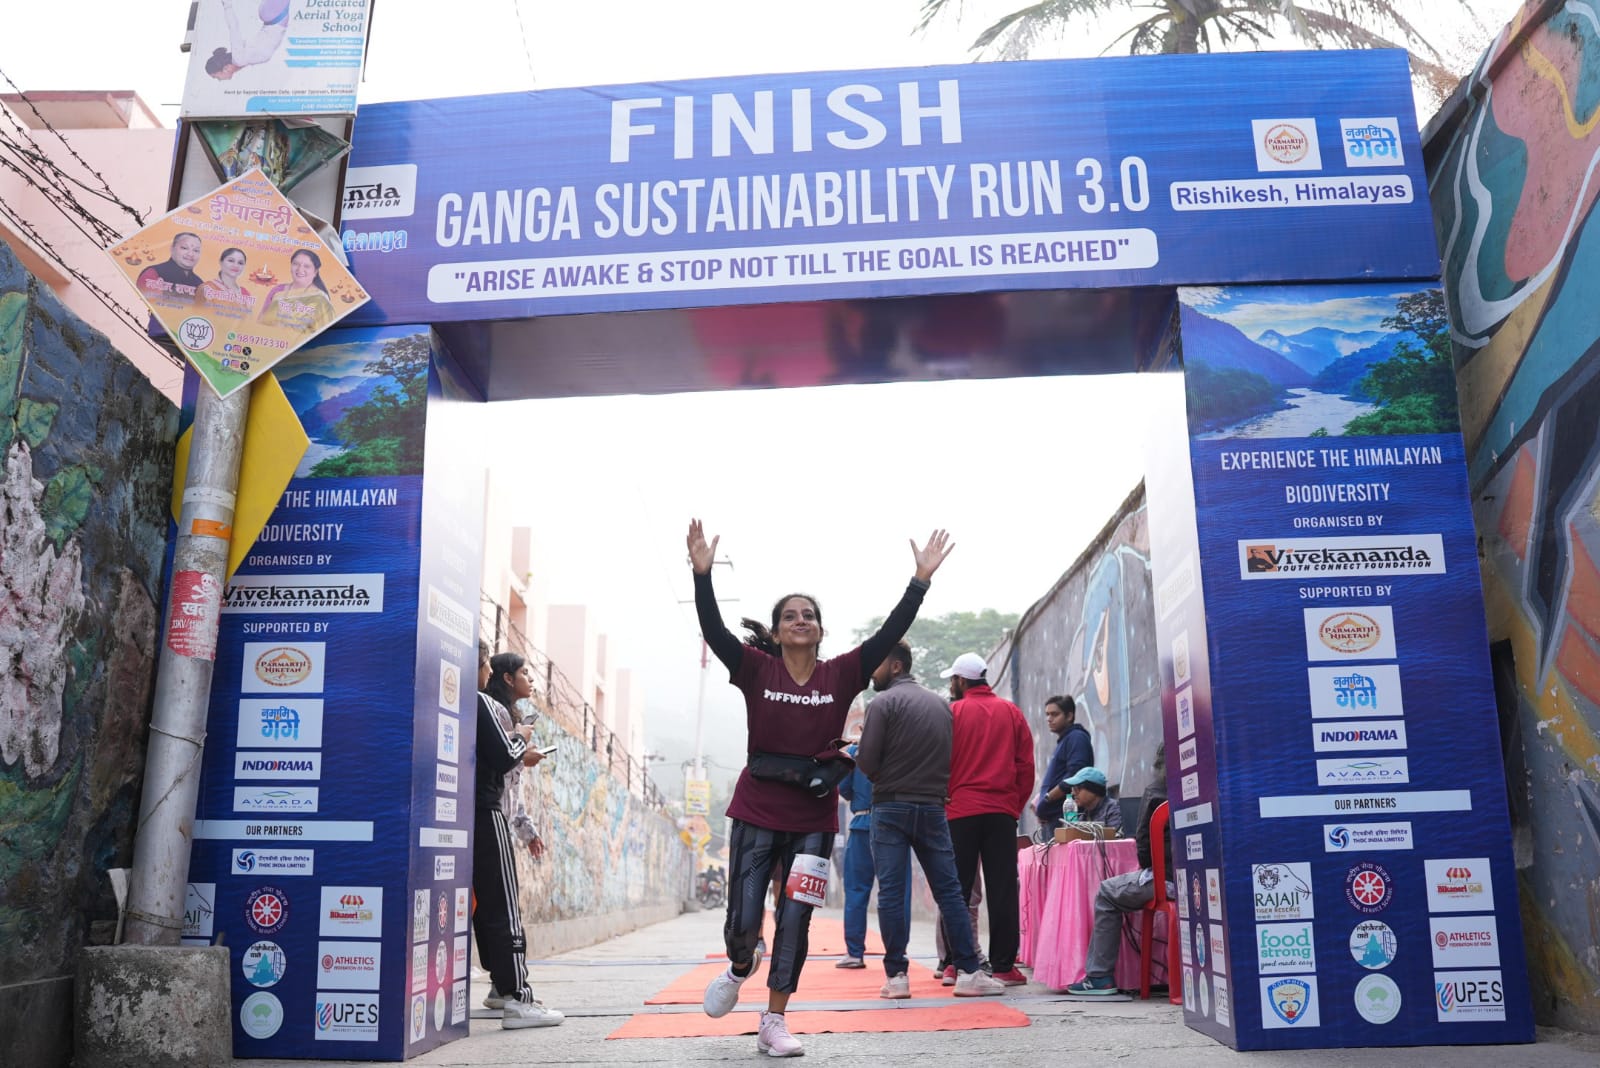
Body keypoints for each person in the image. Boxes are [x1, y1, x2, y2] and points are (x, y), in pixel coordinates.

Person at [688, 519, 953, 1058]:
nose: (799, 621)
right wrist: (702, 576)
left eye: (808, 615)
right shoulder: (756, 668)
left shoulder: (842, 674)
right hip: (757, 809)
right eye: (790, 616)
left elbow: (889, 633)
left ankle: (774, 1021)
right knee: (744, 921)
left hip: (812, 817)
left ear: (820, 629)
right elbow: (714, 631)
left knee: (796, 920)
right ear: (776, 631)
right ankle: (740, 965)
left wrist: (919, 581)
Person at [854, 640, 1007, 1000]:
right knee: (950, 892)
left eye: (877, 663)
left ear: (896, 666)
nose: (871, 671)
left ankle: (897, 977)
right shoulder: (941, 705)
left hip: (891, 807)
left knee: (892, 893)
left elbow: (868, 763)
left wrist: (864, 762)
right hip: (933, 807)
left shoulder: (882, 704)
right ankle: (969, 971)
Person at [472, 646, 563, 1029]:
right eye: (484, 665)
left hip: (469, 813)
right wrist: (521, 737)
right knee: (503, 907)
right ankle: (518, 998)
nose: (487, 672)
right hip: (487, 811)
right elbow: (505, 757)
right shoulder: (484, 704)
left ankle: (501, 987)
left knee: (487, 909)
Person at [942, 651, 1035, 987]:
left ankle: (954, 965)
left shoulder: (952, 713)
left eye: (952, 680)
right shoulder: (1011, 712)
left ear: (960, 680)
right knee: (1002, 890)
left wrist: (944, 799)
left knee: (956, 889)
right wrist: (1013, 805)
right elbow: (1026, 766)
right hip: (1000, 812)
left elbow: (939, 762)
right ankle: (1004, 966)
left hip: (959, 812)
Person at [1066, 744, 1170, 997]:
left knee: (1106, 892)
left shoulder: (1156, 792)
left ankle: (1099, 976)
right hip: (1202, 883)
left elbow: (1144, 850)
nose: (1074, 793)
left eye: (1079, 788)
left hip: (1168, 881)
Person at [834, 707, 910, 970]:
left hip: (862, 824)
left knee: (856, 890)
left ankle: (855, 953)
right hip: (893, 826)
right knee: (898, 891)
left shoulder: (855, 754)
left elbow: (844, 790)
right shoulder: (900, 753)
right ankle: (898, 951)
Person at [1035, 695, 1094, 830]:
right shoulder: (1066, 739)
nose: (1049, 719)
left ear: (1069, 716)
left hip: (1066, 818)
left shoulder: (1076, 737)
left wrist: (1048, 798)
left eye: (1055, 714)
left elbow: (1075, 775)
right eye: (1047, 714)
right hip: (1055, 818)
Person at [204, 0, 291, 80]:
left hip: (274, 16)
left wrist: (227, 5)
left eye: (216, 77)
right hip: (274, 17)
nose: (219, 80)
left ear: (224, 69)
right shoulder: (240, 60)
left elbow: (233, 27)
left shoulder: (238, 58)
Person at [258, 248, 336, 335]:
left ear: (315, 271)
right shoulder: (278, 291)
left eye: (306, 266)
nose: (300, 269)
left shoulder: (320, 299)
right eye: (296, 264)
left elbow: (325, 334)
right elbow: (261, 321)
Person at [135, 232, 203, 304]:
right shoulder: (153, 273)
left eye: (196, 250)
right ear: (172, 248)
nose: (190, 254)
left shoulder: (199, 284)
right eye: (184, 248)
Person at [197, 247, 255, 318]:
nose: (235, 265)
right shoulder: (207, 288)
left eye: (240, 263)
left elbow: (249, 320)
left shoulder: (245, 293)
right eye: (231, 261)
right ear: (220, 262)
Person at [1061, 766, 1123, 834]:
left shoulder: (1113, 809)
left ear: (1093, 789)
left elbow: (1114, 837)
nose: (1073, 793)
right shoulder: (1084, 815)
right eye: (1072, 789)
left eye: (1077, 788)